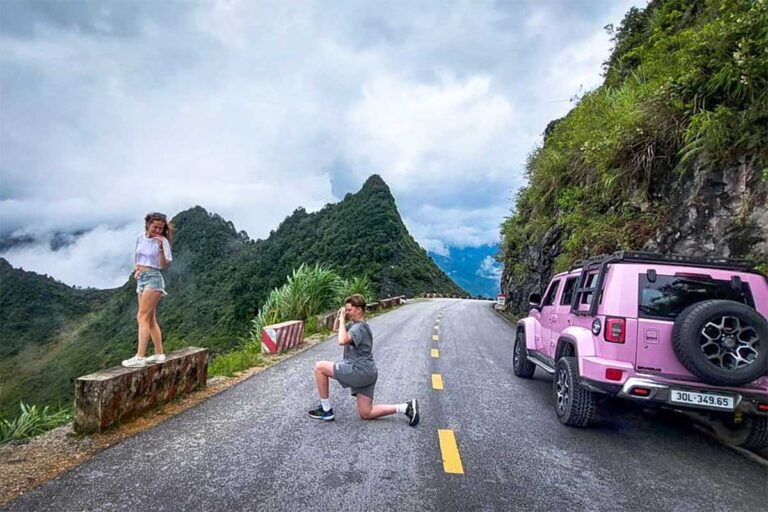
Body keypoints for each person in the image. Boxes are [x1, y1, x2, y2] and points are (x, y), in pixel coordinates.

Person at [309, 294, 420, 426]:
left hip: (358, 370)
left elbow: (342, 340)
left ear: (359, 310)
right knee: (366, 412)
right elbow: (337, 329)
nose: (347, 312)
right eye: (346, 310)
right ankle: (406, 407)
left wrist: (343, 319)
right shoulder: (356, 325)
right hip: (368, 372)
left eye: (349, 310)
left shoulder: (359, 328)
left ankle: (326, 410)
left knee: (320, 367)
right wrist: (340, 317)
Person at [122, 212, 173, 368]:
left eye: (160, 228)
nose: (157, 230)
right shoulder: (140, 237)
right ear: (148, 225)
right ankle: (159, 354)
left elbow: (163, 265)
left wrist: (161, 249)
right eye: (155, 227)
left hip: (154, 278)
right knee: (150, 319)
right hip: (141, 279)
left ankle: (140, 356)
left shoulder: (163, 241)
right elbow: (137, 256)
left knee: (141, 317)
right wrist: (137, 269)